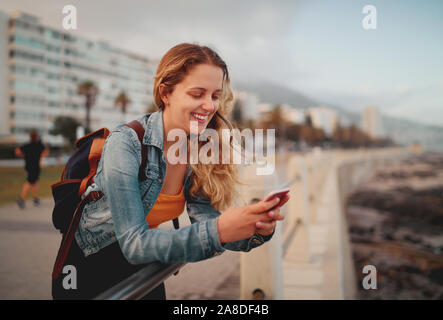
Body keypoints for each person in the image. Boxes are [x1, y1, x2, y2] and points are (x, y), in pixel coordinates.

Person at [52, 43, 289, 300]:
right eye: (197, 94)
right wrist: (219, 230)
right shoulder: (126, 142)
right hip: (90, 275)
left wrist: (255, 228)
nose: (210, 106)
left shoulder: (197, 146)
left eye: (214, 95)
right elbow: (134, 243)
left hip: (146, 269)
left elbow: (205, 219)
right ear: (166, 93)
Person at [15, 130, 49, 209]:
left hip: (29, 166)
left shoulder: (27, 145)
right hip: (36, 167)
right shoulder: (39, 145)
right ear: (36, 137)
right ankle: (21, 199)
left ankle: (35, 198)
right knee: (30, 182)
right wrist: (44, 146)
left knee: (34, 182)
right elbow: (46, 153)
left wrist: (23, 155)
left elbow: (17, 151)